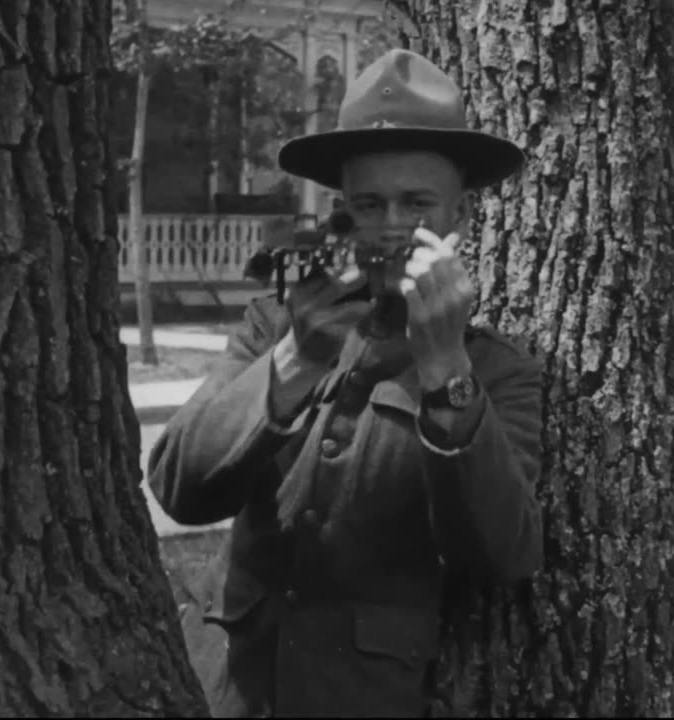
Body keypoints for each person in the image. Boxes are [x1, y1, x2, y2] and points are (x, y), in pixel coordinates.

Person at [147, 48, 544, 718]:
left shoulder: (498, 370)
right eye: (369, 204)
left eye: (417, 203)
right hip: (227, 689)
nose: (391, 226)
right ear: (342, 214)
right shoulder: (273, 326)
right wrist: (298, 358)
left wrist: (446, 368)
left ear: (461, 217)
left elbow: (501, 554)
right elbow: (180, 489)